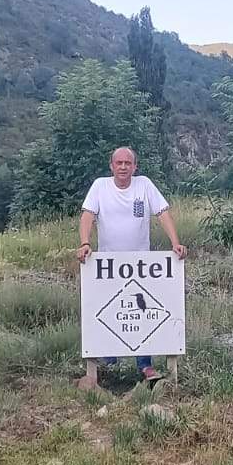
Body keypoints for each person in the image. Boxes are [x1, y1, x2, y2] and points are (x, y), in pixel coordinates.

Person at [76, 146, 186, 383]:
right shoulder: (99, 186)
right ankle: (108, 362)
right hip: (107, 266)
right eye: (119, 163)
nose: (123, 167)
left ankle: (145, 365)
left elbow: (163, 213)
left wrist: (175, 242)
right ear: (111, 166)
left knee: (142, 312)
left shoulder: (144, 185)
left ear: (135, 166)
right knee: (108, 309)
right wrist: (85, 242)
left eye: (128, 163)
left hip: (141, 264)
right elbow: (87, 215)